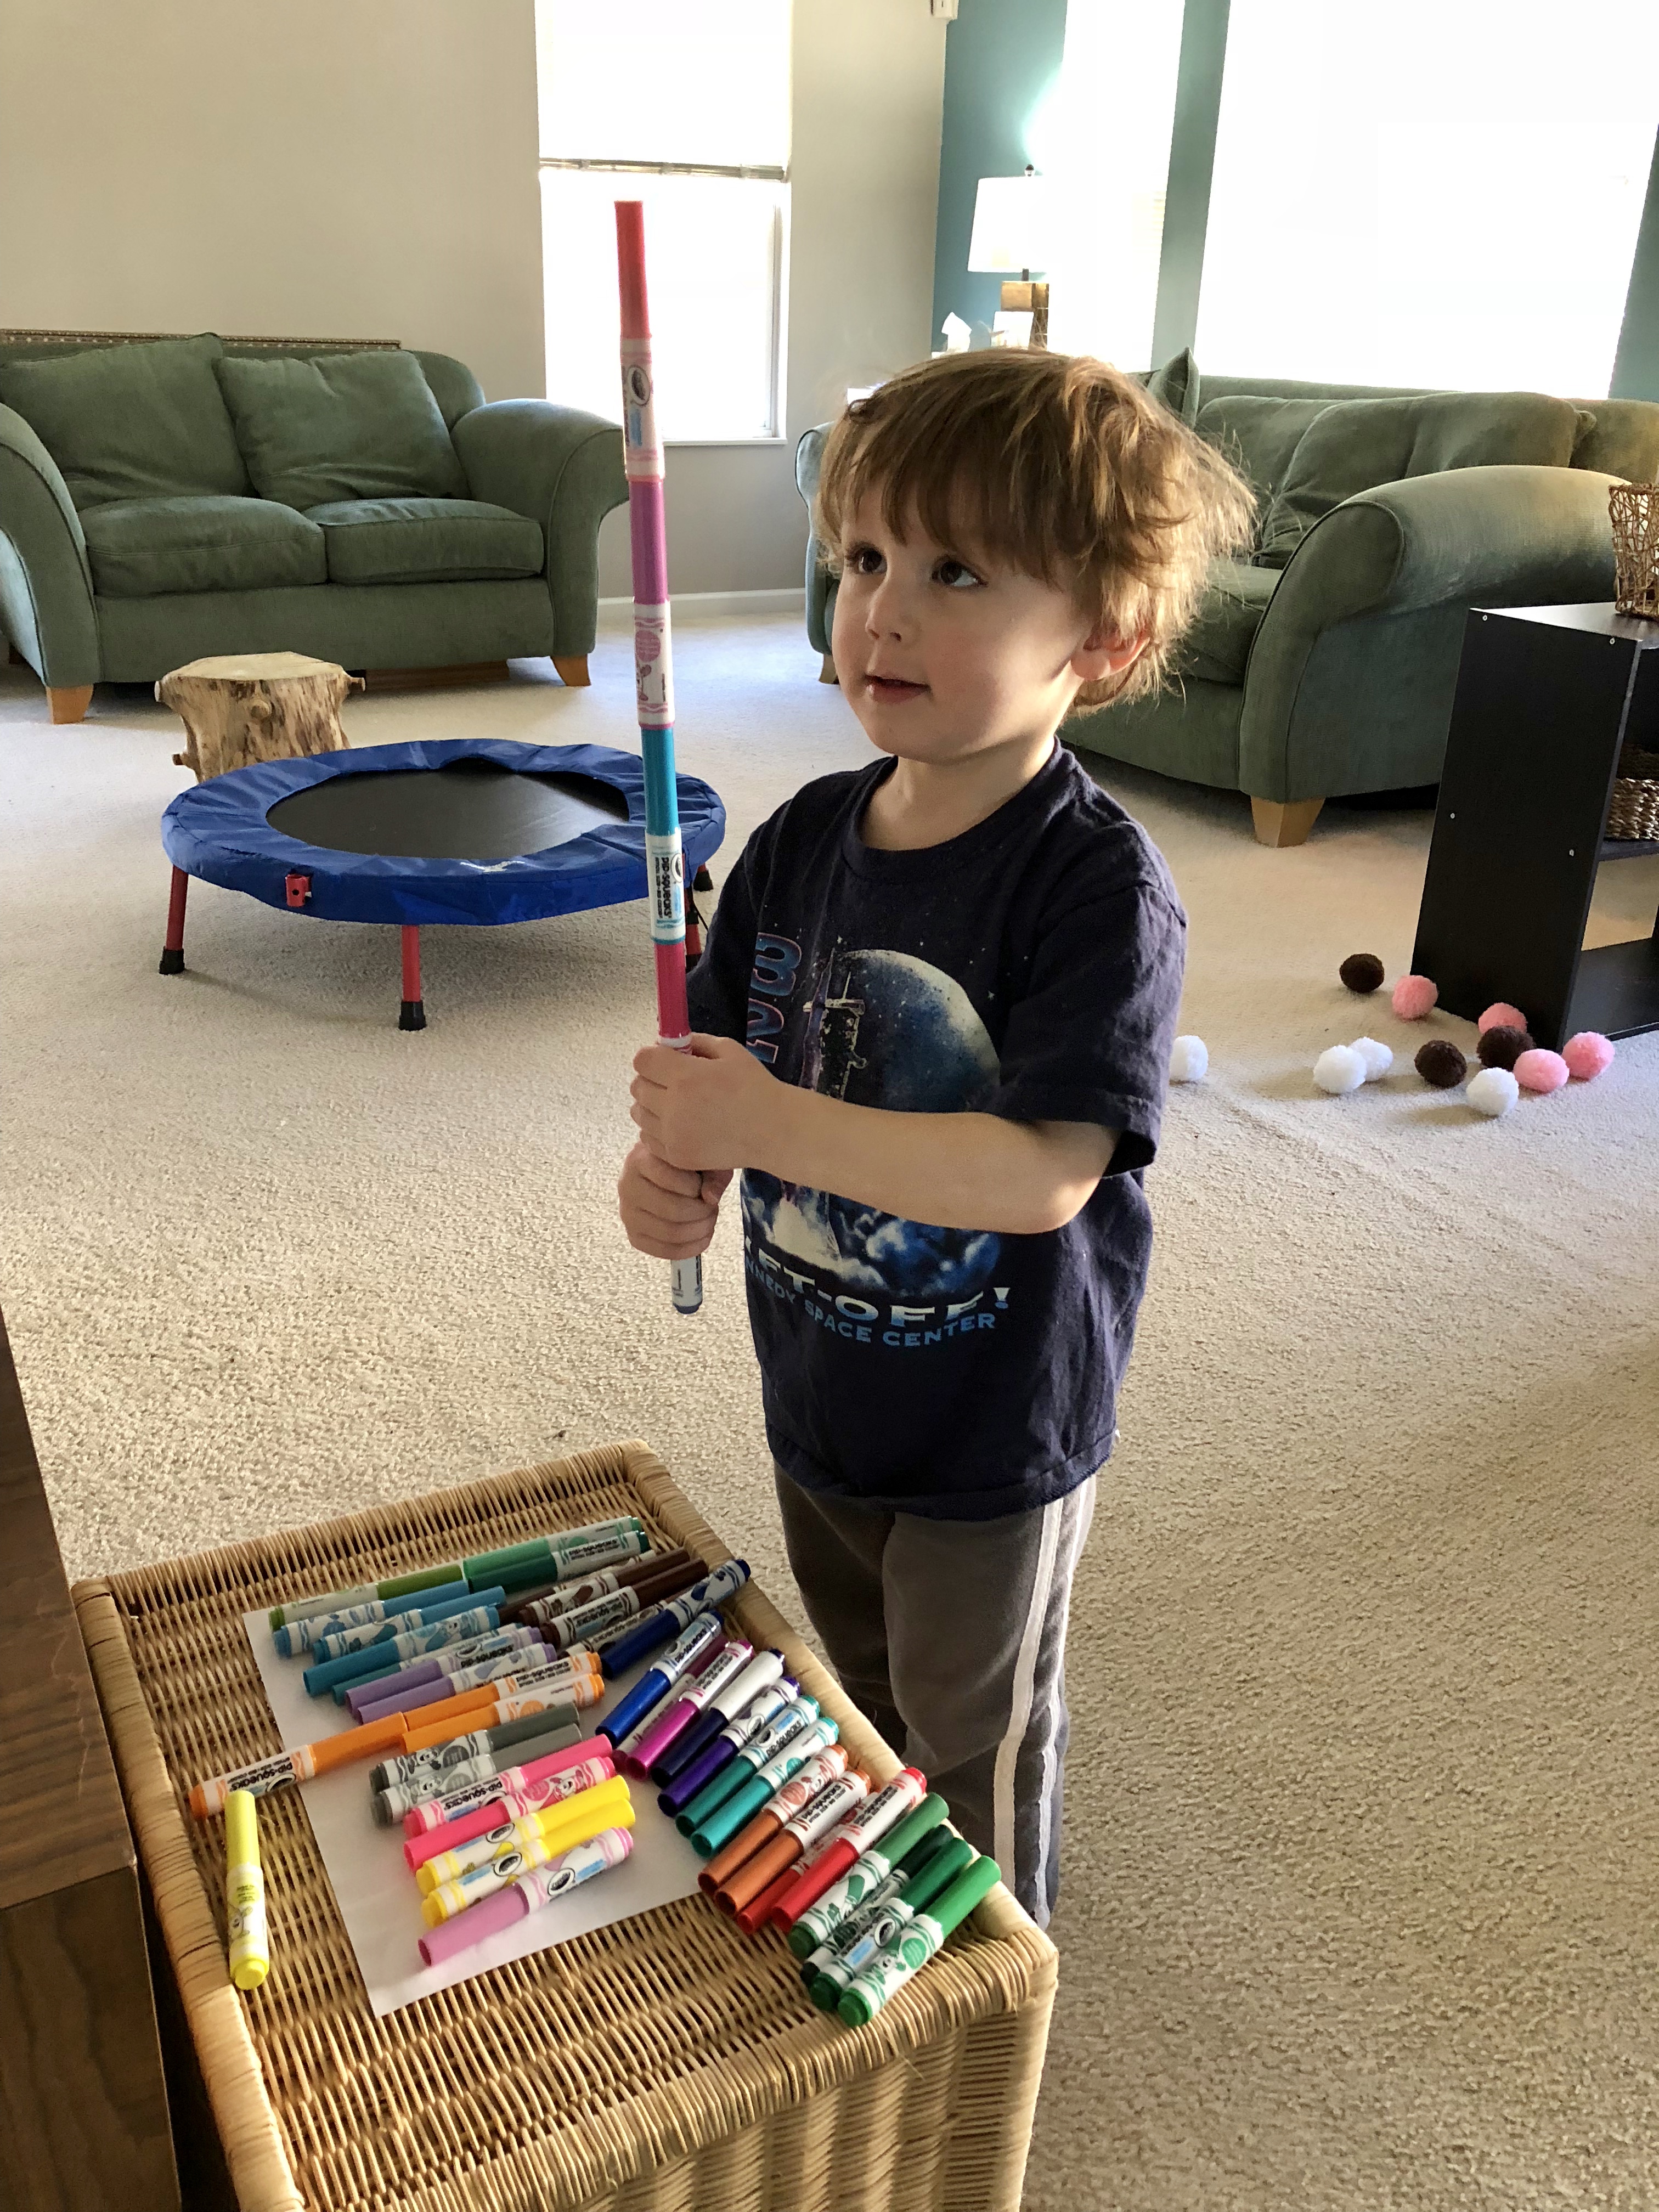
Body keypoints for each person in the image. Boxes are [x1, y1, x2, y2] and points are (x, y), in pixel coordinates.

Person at [617, 348, 1252, 1925]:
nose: (883, 611)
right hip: (822, 1380)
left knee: (970, 1736)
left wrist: (765, 1119)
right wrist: (675, 1166)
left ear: (1101, 640)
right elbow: (713, 1064)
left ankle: (987, 1987)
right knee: (862, 1694)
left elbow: (1039, 1174)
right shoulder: (799, 844)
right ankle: (892, 1901)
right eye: (866, 561)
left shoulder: (1094, 888)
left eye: (957, 573)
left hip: (992, 1425)